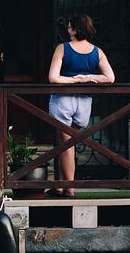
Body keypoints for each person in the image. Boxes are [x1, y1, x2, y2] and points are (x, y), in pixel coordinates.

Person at [47, 13, 115, 196]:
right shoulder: (97, 52)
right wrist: (88, 78)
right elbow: (110, 77)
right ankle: (59, 186)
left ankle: (69, 188)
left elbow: (53, 78)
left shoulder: (63, 48)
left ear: (76, 29)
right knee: (68, 144)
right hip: (85, 102)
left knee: (66, 144)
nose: (68, 30)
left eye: (69, 27)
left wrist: (73, 81)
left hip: (63, 100)